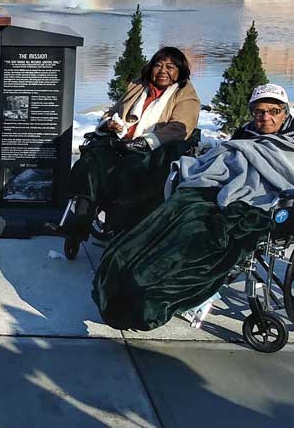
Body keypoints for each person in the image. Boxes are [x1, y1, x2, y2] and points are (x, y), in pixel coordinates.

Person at [94, 84, 294, 331]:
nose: (266, 118)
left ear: (285, 112)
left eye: (273, 111)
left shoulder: (290, 143)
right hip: (217, 189)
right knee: (173, 215)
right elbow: (226, 159)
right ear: (252, 113)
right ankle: (123, 273)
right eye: (259, 112)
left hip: (260, 200)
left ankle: (151, 294)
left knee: (204, 237)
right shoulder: (245, 135)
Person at [64, 46, 200, 239]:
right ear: (150, 68)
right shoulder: (138, 86)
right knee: (89, 162)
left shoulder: (185, 95)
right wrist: (109, 123)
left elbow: (180, 128)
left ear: (180, 71)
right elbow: (113, 111)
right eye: (158, 65)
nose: (163, 71)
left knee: (128, 170)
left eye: (170, 67)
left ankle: (118, 223)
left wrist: (144, 143)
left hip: (154, 152)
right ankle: (80, 221)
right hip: (120, 143)